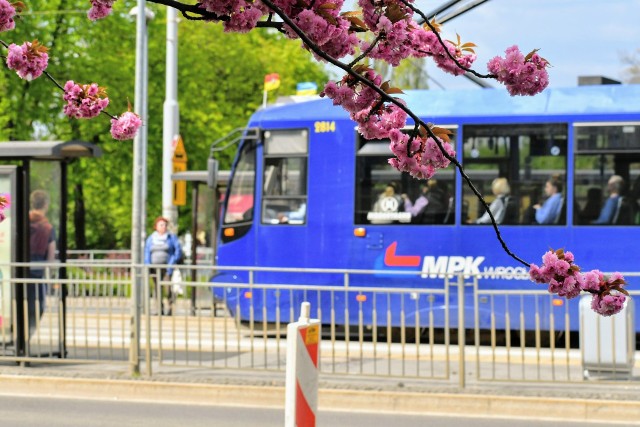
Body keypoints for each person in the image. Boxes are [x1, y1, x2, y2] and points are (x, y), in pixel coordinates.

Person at [29, 190, 56, 337]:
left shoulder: (21, 222)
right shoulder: (47, 227)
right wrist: (51, 275)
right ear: (45, 205)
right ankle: (27, 336)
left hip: (16, 273)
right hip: (37, 273)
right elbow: (51, 255)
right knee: (37, 306)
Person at [144, 216, 183, 315]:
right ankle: (159, 309)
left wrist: (172, 261)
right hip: (154, 268)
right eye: (161, 225)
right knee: (157, 289)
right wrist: (148, 265)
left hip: (167, 268)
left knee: (168, 288)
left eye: (165, 225)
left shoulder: (171, 237)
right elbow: (147, 252)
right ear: (156, 226)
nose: (163, 227)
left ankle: (170, 307)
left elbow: (177, 250)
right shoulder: (151, 238)